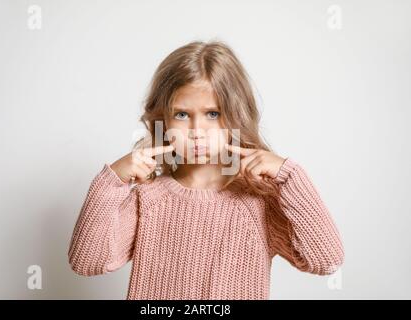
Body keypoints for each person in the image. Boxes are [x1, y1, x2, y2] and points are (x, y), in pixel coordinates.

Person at [68, 40, 344, 300]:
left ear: (238, 115)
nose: (197, 131)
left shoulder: (258, 202)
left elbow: (326, 260)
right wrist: (111, 181)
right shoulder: (148, 199)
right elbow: (86, 261)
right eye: (182, 114)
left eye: (213, 114)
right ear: (161, 119)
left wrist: (290, 177)